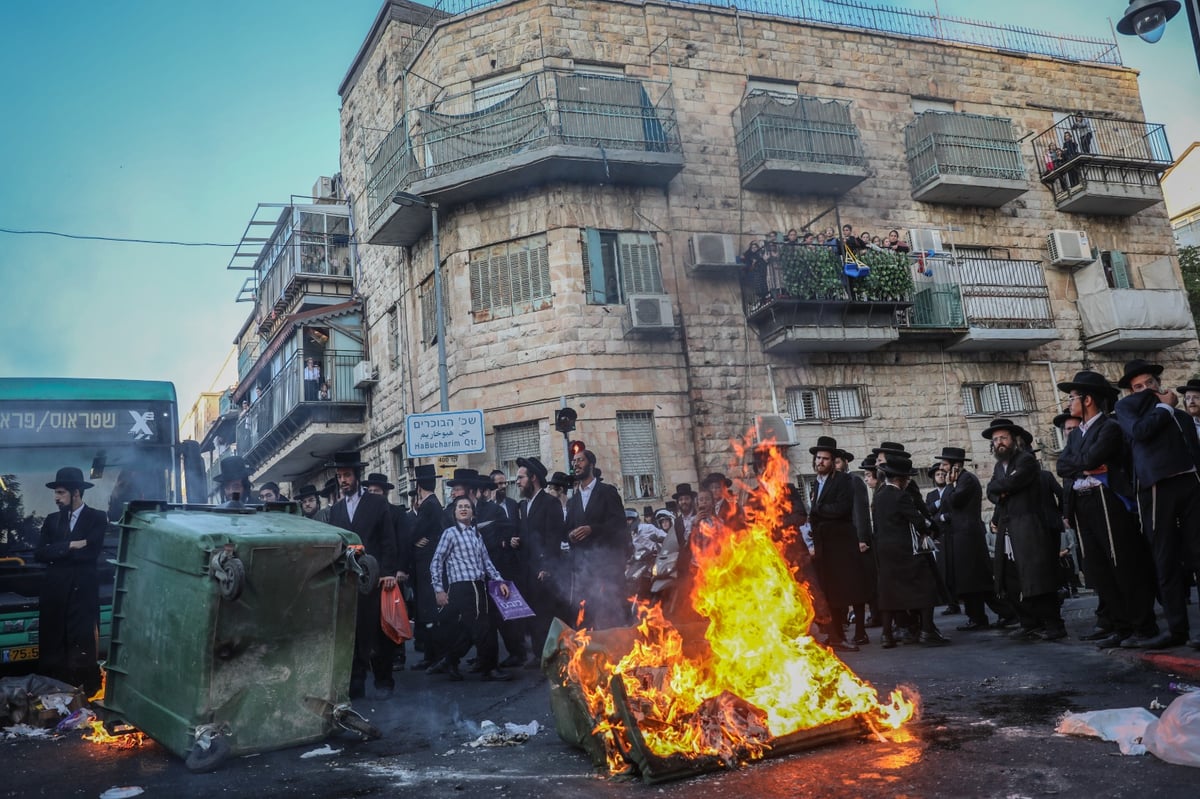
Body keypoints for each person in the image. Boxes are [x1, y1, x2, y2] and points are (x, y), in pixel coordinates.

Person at [1114, 359, 1200, 650]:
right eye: (1138, 387)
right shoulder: (1127, 409)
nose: (1146, 390)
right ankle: (1177, 629)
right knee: (1165, 558)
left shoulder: (1181, 415)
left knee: (1198, 552)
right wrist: (1163, 407)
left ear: (1158, 383)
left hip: (1189, 484)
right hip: (1156, 487)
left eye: (1150, 383)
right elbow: (1140, 432)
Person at [983, 419, 1067, 642]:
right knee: (1012, 580)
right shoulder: (999, 466)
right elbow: (991, 490)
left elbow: (1011, 484)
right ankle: (1028, 622)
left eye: (1003, 438)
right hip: (1008, 527)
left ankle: (1053, 624)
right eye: (995, 440)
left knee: (1038, 578)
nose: (999, 442)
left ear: (1014, 440)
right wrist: (1000, 490)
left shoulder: (1026, 460)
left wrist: (1002, 489)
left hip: (1029, 526)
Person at [325, 451, 399, 699]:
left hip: (375, 580)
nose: (343, 480)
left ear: (357, 476)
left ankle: (384, 680)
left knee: (378, 631)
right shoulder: (334, 511)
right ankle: (356, 682)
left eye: (347, 475)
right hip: (348, 582)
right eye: (339, 476)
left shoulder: (377, 504)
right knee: (352, 632)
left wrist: (388, 573)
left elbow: (389, 541)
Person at [34, 467, 108, 694]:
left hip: (82, 598)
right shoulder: (51, 520)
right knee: (53, 649)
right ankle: (53, 697)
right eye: (56, 493)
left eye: (60, 493)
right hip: (54, 598)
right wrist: (71, 545)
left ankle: (86, 697)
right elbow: (40, 553)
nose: (56, 498)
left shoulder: (97, 517)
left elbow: (91, 551)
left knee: (82, 650)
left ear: (76, 493)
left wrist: (58, 552)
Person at [427, 497, 512, 682]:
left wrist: (500, 581)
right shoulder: (450, 533)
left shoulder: (476, 535)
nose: (464, 509)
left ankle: (450, 661)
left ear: (473, 513)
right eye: (460, 507)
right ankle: (489, 668)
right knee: (483, 627)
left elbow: (487, 562)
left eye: (467, 507)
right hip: (462, 587)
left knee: (469, 629)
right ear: (454, 512)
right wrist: (439, 589)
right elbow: (436, 562)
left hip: (479, 585)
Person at [872, 456, 948, 648]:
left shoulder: (879, 495)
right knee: (926, 586)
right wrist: (931, 528)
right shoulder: (901, 496)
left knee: (889, 592)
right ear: (901, 479)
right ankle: (927, 631)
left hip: (884, 550)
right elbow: (917, 520)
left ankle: (887, 636)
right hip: (905, 550)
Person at [938, 446, 1014, 631]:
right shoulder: (958, 480)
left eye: (945, 464)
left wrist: (950, 485)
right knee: (968, 581)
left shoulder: (967, 480)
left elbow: (954, 501)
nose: (942, 468)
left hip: (969, 536)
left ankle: (1008, 614)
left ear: (955, 466)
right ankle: (977, 617)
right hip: (961, 535)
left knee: (978, 580)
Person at [807, 436, 871, 652]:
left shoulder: (844, 481)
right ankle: (835, 635)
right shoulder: (816, 482)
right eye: (818, 458)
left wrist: (817, 511)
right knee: (829, 594)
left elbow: (841, 509)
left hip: (841, 546)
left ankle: (852, 633)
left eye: (825, 459)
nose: (820, 462)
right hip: (825, 547)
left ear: (833, 461)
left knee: (848, 591)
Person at [564, 449, 629, 629]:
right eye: (574, 461)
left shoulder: (607, 492)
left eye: (580, 460)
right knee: (588, 613)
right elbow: (567, 530)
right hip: (584, 569)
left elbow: (619, 525)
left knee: (612, 610)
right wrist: (570, 535)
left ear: (591, 464)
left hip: (607, 566)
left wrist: (592, 529)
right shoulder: (573, 501)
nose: (575, 464)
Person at [516, 456, 567, 665]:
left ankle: (548, 656)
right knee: (533, 613)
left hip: (544, 570)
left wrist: (547, 567)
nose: (517, 481)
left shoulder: (550, 503)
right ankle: (539, 654)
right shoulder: (525, 505)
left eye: (521, 477)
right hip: (528, 569)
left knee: (544, 614)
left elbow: (553, 537)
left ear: (533, 478)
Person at [408, 464, 444, 669]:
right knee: (427, 611)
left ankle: (433, 656)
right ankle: (432, 655)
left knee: (428, 611)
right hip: (428, 564)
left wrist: (415, 539)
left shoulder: (428, 505)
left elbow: (414, 530)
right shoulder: (435, 503)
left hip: (425, 565)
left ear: (419, 485)